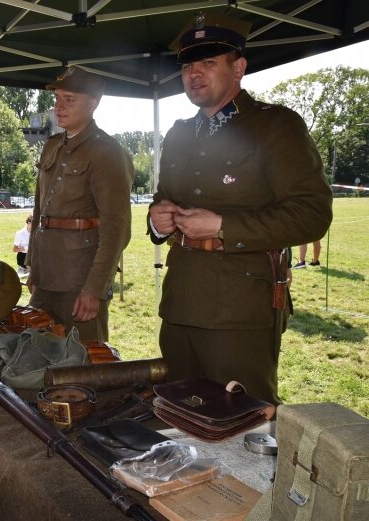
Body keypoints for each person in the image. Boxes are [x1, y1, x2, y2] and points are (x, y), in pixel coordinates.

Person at [147, 13, 333, 405]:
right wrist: (158, 220)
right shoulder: (179, 134)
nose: (194, 74)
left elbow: (313, 213)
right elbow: (163, 197)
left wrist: (223, 226)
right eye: (187, 66)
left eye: (208, 63)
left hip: (239, 310)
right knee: (178, 416)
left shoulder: (275, 126)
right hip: (180, 301)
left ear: (239, 68)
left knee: (241, 420)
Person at [27, 66, 133, 342]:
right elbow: (39, 213)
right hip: (46, 274)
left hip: (80, 278)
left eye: (69, 99)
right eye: (57, 99)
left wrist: (95, 288)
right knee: (38, 353)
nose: (59, 107)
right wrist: (33, 266)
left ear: (93, 103)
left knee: (86, 360)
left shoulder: (107, 153)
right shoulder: (52, 146)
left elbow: (117, 229)